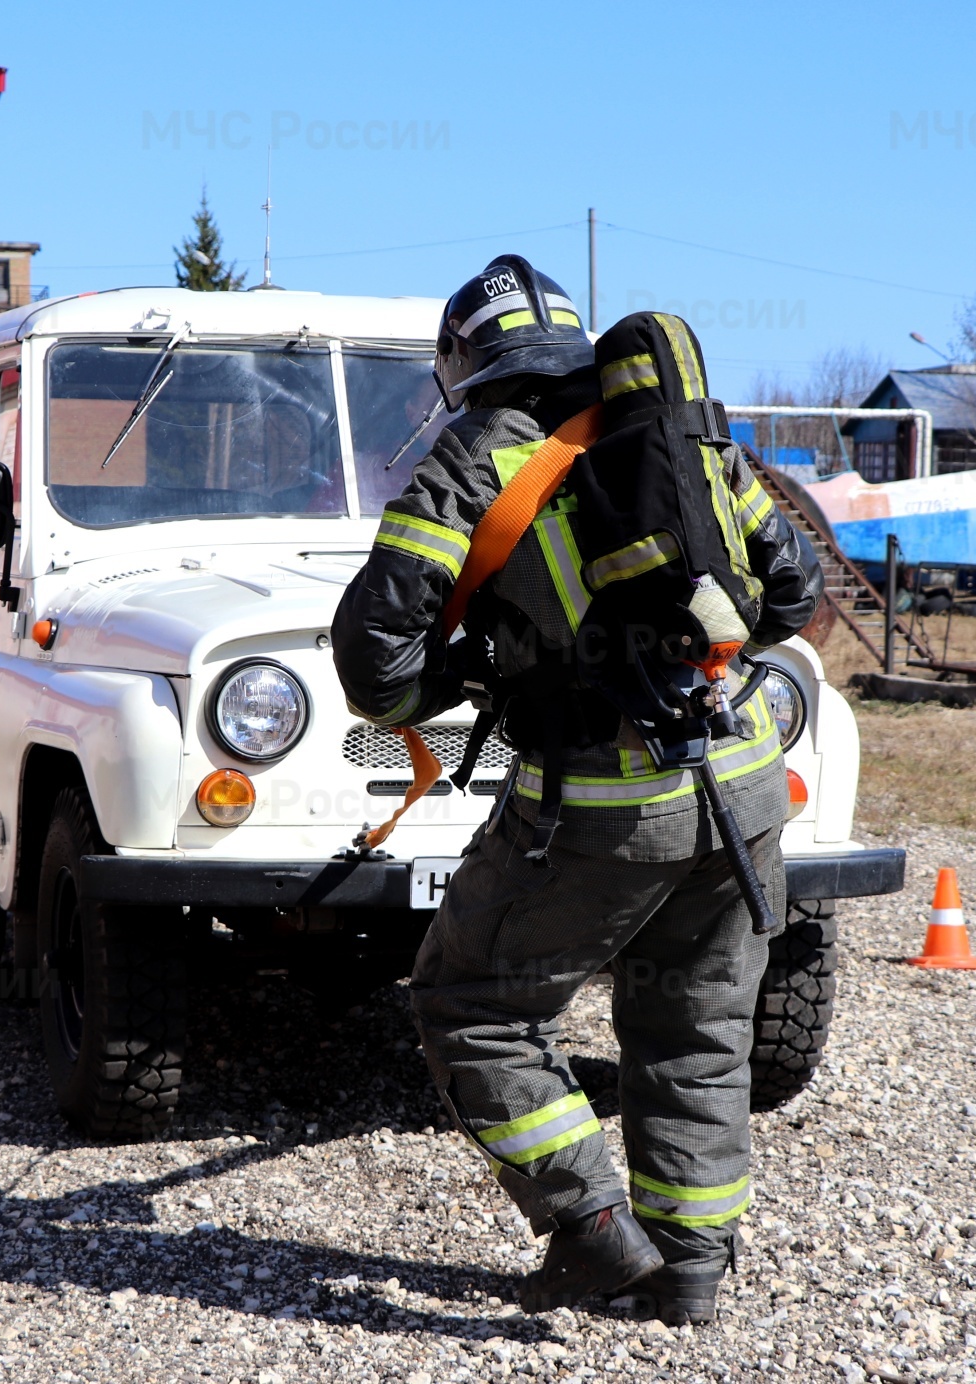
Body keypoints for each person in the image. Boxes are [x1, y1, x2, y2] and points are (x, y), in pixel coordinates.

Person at [331, 257, 822, 1324]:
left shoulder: (477, 454)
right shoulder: (676, 439)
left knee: (469, 1006)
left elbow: (372, 660)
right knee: (693, 1027)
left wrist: (460, 677)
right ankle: (689, 1269)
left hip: (601, 803)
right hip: (740, 788)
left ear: (460, 362)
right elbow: (795, 592)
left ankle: (592, 1225)